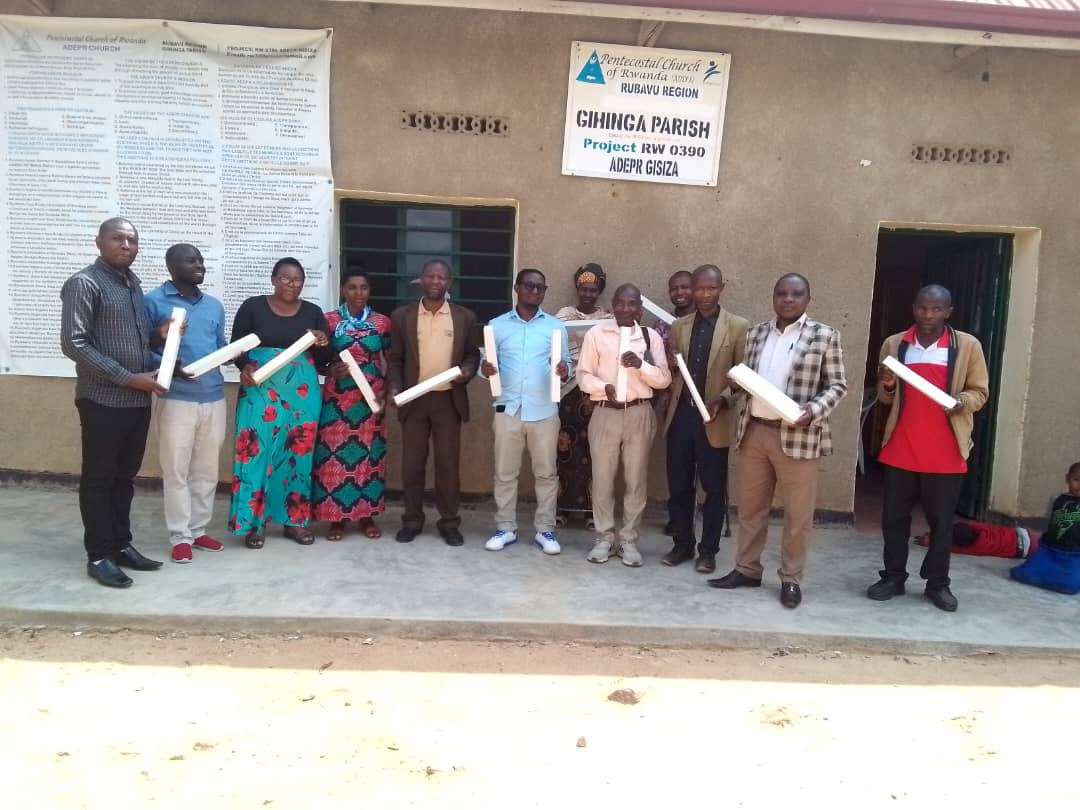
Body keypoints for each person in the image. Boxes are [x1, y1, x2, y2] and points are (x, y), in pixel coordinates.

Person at [709, 273, 847, 608]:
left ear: (807, 299)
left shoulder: (825, 336)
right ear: (773, 297)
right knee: (751, 509)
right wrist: (726, 396)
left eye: (796, 293)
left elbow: (837, 386)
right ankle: (747, 569)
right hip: (755, 430)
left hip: (798, 435)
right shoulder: (757, 333)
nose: (788, 299)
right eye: (782, 293)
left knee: (797, 515)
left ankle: (791, 578)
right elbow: (747, 379)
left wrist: (812, 410)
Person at [867, 285, 989, 612]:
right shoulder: (895, 344)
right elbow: (885, 397)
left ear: (948, 311)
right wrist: (889, 385)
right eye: (922, 308)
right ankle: (893, 577)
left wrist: (960, 402)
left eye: (936, 309)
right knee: (893, 519)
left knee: (942, 523)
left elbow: (979, 392)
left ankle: (937, 584)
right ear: (913, 308)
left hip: (946, 450)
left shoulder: (966, 346)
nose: (928, 315)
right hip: (901, 447)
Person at [60, 217, 167, 588]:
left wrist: (166, 365)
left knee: (124, 480)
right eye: (118, 238)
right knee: (100, 480)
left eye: (132, 240)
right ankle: (100, 554)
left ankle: (122, 545)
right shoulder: (84, 284)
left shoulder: (132, 285)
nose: (126, 245)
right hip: (102, 400)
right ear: (99, 242)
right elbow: (74, 344)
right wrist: (127, 378)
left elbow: (138, 346)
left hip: (137, 402)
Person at [228, 258, 330, 548]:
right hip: (260, 388)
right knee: (256, 452)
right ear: (273, 279)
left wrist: (323, 341)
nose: (292, 284)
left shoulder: (313, 312)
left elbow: (324, 361)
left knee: (297, 455)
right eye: (286, 278)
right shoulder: (252, 307)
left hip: (301, 394)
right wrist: (245, 367)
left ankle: (294, 521)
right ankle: (253, 525)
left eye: (298, 280)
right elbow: (237, 347)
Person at [661, 264, 749, 573]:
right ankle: (682, 544)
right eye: (699, 288)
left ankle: (708, 550)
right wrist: (671, 366)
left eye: (711, 288)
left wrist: (723, 399)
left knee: (713, 487)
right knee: (680, 485)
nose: (704, 295)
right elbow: (675, 373)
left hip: (715, 417)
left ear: (721, 287)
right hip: (682, 414)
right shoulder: (680, 326)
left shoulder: (738, 326)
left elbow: (742, 374)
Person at [387, 259, 480, 546]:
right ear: (422, 281)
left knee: (447, 465)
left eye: (442, 277)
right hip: (414, 401)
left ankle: (449, 523)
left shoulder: (464, 317)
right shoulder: (402, 316)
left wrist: (468, 369)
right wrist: (394, 387)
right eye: (431, 276)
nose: (436, 281)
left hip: (447, 401)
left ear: (449, 283)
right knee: (412, 465)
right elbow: (396, 359)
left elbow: (472, 354)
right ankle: (412, 520)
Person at [144, 243, 227, 564]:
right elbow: (142, 347)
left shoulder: (214, 306)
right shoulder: (153, 302)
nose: (200, 265)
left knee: (206, 470)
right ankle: (180, 536)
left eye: (201, 260)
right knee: (176, 470)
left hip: (213, 397)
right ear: (172, 266)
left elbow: (218, 348)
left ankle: (199, 528)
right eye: (191, 261)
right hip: (175, 399)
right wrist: (169, 367)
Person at [577, 284, 672, 566]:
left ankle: (629, 540)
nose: (626, 309)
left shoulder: (650, 336)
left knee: (635, 479)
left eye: (632, 304)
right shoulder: (597, 334)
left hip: (639, 413)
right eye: (621, 303)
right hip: (605, 411)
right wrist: (602, 387)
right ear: (613, 305)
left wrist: (641, 365)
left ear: (639, 309)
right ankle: (603, 538)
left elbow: (664, 379)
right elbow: (583, 375)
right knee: (602, 479)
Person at [481, 269, 571, 554]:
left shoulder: (556, 328)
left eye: (540, 287)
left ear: (545, 291)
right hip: (508, 409)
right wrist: (485, 371)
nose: (534, 291)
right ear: (517, 288)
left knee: (546, 474)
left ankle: (545, 531)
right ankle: (505, 528)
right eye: (529, 285)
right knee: (505, 473)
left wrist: (563, 370)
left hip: (544, 410)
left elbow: (566, 365)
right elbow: (488, 365)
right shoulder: (496, 326)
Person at [313, 269, 391, 541]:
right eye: (352, 288)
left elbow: (392, 359)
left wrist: (387, 392)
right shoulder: (329, 321)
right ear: (343, 290)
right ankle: (337, 519)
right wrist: (331, 369)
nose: (358, 293)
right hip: (338, 401)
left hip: (370, 399)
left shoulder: (382, 323)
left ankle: (366, 515)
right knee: (334, 457)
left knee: (369, 457)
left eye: (364, 288)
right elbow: (317, 359)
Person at [555, 263, 612, 529]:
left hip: (594, 392)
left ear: (599, 290)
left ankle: (592, 511)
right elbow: (553, 347)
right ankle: (563, 508)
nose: (587, 293)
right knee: (565, 448)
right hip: (567, 391)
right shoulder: (563, 316)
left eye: (593, 289)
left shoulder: (608, 318)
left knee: (594, 451)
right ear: (576, 288)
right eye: (583, 288)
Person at [1011, 463, 1080, 595]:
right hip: (1050, 551)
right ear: (1067, 479)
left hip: (1075, 556)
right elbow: (1048, 523)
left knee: (1070, 586)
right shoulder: (1057, 500)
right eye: (1076, 480)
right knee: (1023, 574)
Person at [914, 520, 1038, 559]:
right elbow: (969, 524)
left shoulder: (978, 547)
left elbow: (954, 549)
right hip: (1025, 533)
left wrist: (929, 541)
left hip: (1024, 550)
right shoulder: (980, 529)